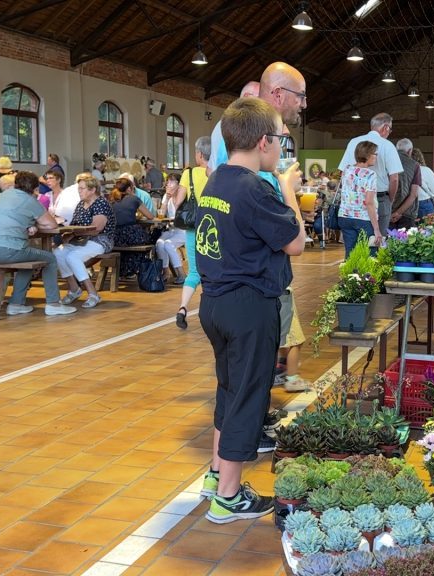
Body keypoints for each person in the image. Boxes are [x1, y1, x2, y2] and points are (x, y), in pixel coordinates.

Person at [196, 97, 305, 524]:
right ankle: (228, 497)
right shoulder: (256, 188)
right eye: (281, 139)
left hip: (215, 303)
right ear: (264, 141)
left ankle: (215, 474)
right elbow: (294, 241)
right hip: (248, 308)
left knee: (229, 391)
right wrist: (288, 189)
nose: (281, 148)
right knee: (249, 399)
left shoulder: (218, 180)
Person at [0, 171, 77, 316]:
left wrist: (30, 225)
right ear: (35, 188)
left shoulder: (5, 195)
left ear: (16, 183)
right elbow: (52, 225)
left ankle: (16, 303)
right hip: (6, 250)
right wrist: (36, 225)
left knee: (29, 260)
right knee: (50, 258)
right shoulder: (30, 201)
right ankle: (53, 304)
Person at [56, 173, 115, 309]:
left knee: (72, 257)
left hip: (100, 240)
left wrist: (75, 232)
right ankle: (74, 289)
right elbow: (75, 224)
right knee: (58, 253)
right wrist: (68, 234)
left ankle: (93, 293)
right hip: (81, 240)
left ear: (92, 190)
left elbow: (97, 228)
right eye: (79, 188)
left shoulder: (101, 203)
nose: (79, 191)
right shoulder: (81, 204)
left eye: (82, 188)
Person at [338, 113, 402, 237]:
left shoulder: (353, 142)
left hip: (351, 203)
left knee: (353, 247)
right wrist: (390, 200)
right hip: (378, 199)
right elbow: (394, 179)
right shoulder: (388, 145)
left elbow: (342, 172)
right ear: (386, 128)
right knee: (376, 243)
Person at [176, 136, 211, 329]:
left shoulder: (188, 174)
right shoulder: (216, 173)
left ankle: (182, 308)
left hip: (192, 228)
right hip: (214, 226)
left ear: (199, 154)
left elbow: (178, 202)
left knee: (194, 271)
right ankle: (211, 310)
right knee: (213, 268)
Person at [337, 141, 380, 257]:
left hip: (345, 217)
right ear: (368, 155)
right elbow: (369, 202)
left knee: (350, 255)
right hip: (363, 219)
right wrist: (376, 229)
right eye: (375, 154)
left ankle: (349, 275)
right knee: (369, 255)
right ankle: (366, 276)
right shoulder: (370, 174)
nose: (376, 157)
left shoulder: (346, 170)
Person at [109, 177, 154, 278]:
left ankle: (124, 270)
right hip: (130, 234)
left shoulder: (112, 199)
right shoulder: (134, 199)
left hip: (114, 236)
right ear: (129, 188)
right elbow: (150, 216)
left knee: (126, 247)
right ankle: (134, 269)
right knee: (148, 240)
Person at [155, 173, 188, 285]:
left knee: (168, 244)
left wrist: (174, 198)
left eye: (172, 182)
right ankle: (166, 272)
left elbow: (181, 215)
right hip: (171, 229)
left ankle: (181, 273)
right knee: (159, 243)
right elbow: (162, 214)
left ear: (179, 184)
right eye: (168, 182)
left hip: (183, 230)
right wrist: (167, 198)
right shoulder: (166, 196)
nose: (169, 184)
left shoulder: (183, 195)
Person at [390, 138, 421, 229]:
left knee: (386, 242)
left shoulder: (388, 162)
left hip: (388, 211)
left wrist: (392, 211)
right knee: (406, 242)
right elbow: (413, 194)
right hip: (407, 213)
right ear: (410, 151)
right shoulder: (414, 165)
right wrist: (398, 213)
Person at [412, 148, 434, 219]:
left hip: (407, 204)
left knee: (409, 229)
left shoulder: (403, 170)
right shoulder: (425, 170)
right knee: (428, 228)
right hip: (424, 203)